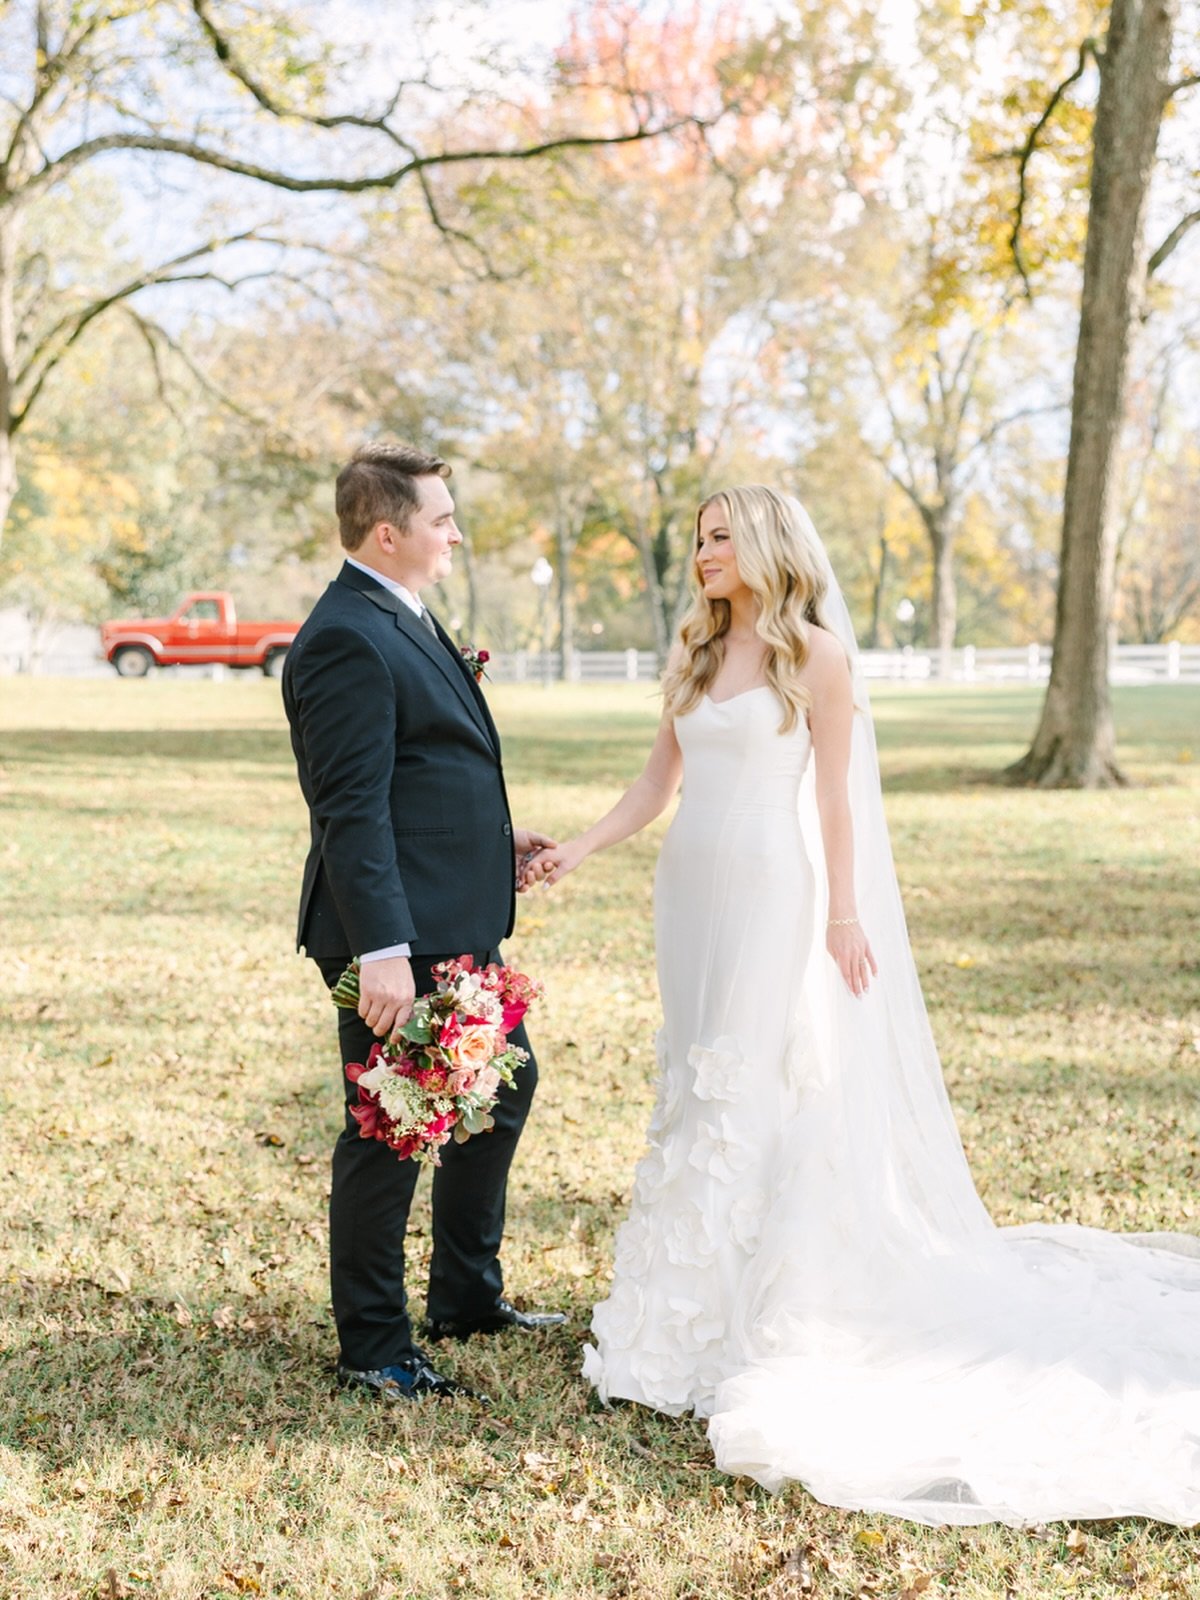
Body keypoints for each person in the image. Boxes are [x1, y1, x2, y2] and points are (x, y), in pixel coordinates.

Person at [527, 485, 1200, 1525]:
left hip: (770, 886)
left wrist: (845, 916)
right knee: (693, 1077)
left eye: (718, 537)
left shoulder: (816, 656)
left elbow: (837, 798)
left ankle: (739, 1319)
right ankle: (668, 1315)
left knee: (748, 1078)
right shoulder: (699, 655)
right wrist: (578, 846)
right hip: (690, 890)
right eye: (698, 538)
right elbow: (654, 786)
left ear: (762, 546)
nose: (701, 553)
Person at [283, 440, 564, 1403]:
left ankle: (465, 1297)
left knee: (503, 1088)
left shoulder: (401, 614)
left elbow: (425, 768)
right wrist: (383, 954)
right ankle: (373, 1346)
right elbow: (350, 809)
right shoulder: (344, 636)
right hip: (398, 937)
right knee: (387, 1133)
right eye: (442, 521)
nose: (456, 535)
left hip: (458, 910)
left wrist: (495, 840)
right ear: (388, 530)